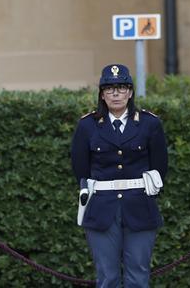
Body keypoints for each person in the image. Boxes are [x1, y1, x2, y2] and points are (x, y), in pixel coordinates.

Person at [71, 63, 168, 288]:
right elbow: (81, 169)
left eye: (122, 88)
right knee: (107, 276)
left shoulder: (149, 123)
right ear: (102, 95)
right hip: (102, 208)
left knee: (138, 274)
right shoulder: (88, 126)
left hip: (139, 205)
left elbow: (160, 166)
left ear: (131, 92)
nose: (116, 93)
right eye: (109, 88)